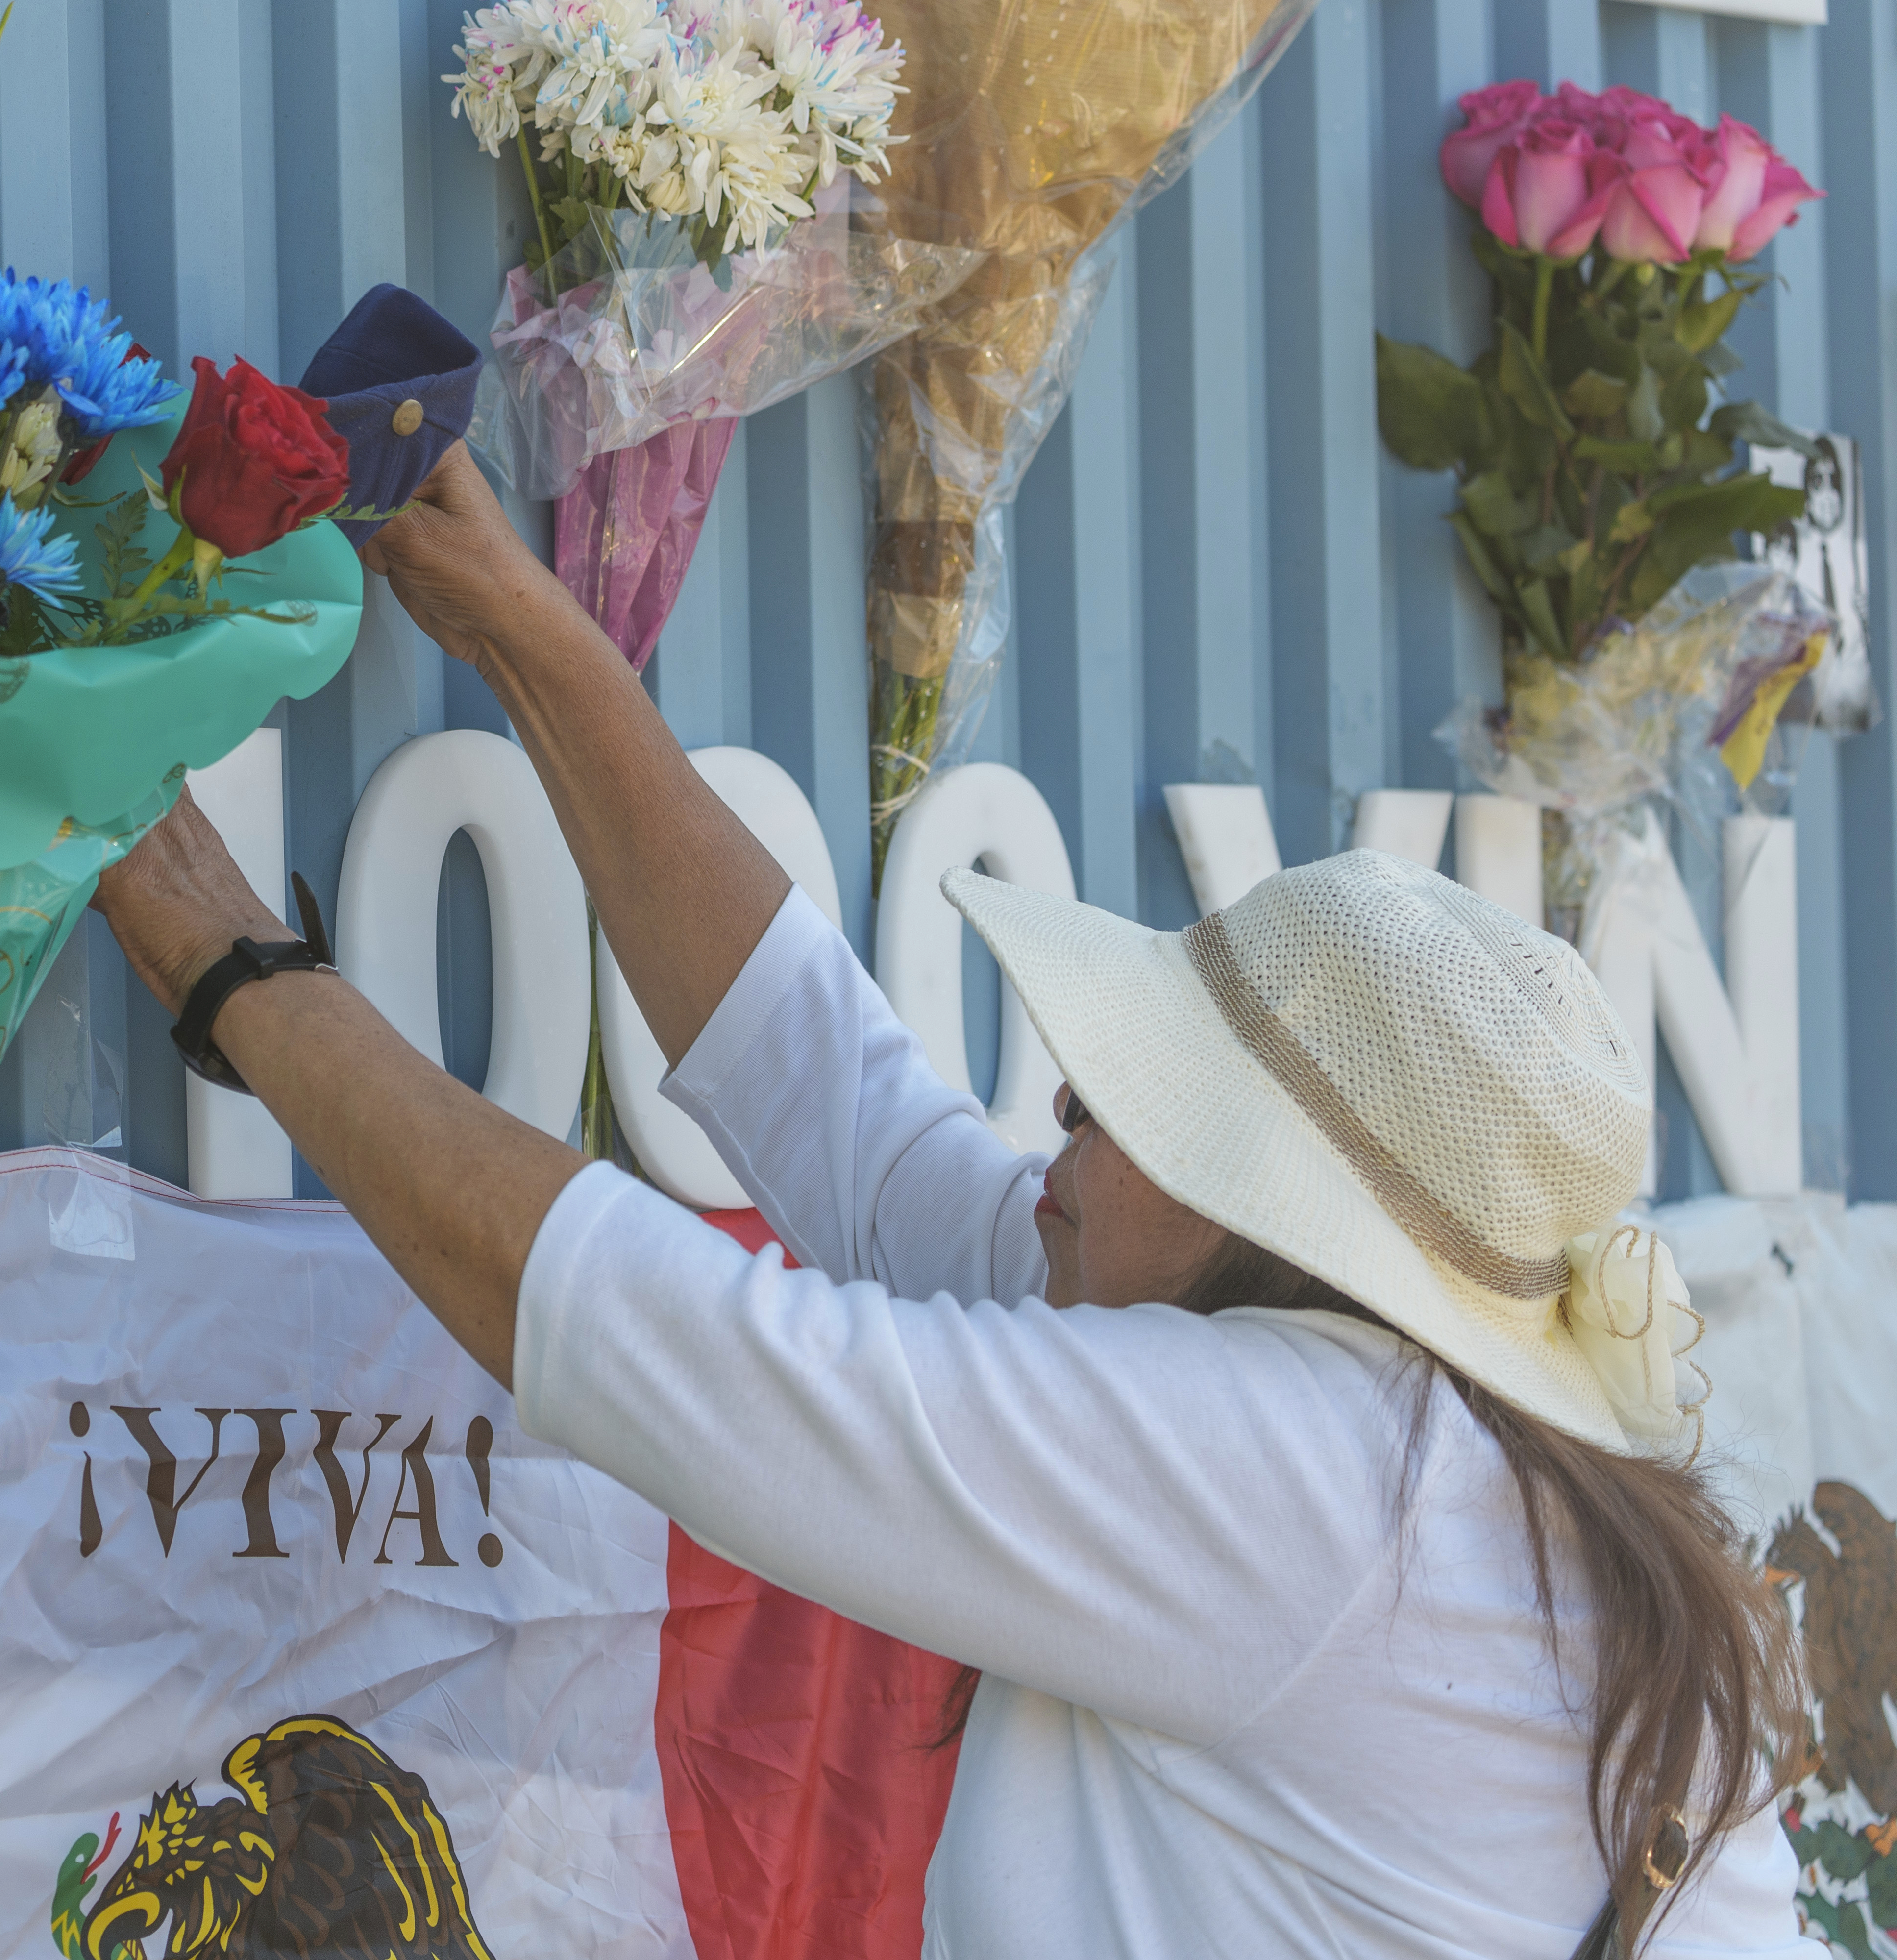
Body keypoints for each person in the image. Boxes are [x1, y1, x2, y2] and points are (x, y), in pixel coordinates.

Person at [90, 444, 1812, 1959]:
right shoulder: (1378, 1429)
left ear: (1279, 1235)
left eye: (1152, 1101)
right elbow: (838, 1098)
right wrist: (530, 642)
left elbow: (670, 1346)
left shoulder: (1307, 1480)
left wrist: (238, 978)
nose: (1068, 1096)